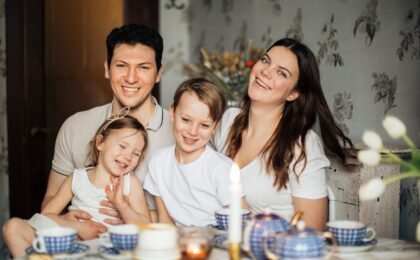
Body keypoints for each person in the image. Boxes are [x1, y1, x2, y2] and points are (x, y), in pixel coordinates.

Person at [212, 38, 355, 231]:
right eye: (265, 60)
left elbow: (312, 230)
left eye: (281, 73)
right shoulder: (228, 121)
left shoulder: (302, 146)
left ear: (293, 94)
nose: (265, 71)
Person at [41, 24, 173, 225]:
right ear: (107, 69)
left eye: (143, 67)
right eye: (121, 65)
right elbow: (50, 201)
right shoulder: (75, 126)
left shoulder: (180, 134)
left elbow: (193, 212)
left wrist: (129, 215)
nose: (130, 78)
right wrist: (66, 221)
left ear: (158, 73)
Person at [3, 113, 151, 257]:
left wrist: (121, 205)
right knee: (12, 227)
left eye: (136, 154)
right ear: (100, 143)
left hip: (107, 250)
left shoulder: (130, 183)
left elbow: (146, 228)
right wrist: (76, 227)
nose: (128, 156)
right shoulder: (77, 178)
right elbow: (45, 216)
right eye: (123, 146)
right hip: (70, 246)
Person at [144, 78, 247, 227]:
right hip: (179, 243)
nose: (192, 131)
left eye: (204, 125)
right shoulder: (158, 162)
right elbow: (165, 222)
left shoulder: (221, 169)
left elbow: (242, 221)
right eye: (186, 120)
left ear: (215, 127)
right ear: (172, 113)